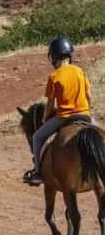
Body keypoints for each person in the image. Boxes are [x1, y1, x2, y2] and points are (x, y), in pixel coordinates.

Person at [28, 37, 92, 186]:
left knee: (37, 137)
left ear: (54, 57)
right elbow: (89, 96)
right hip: (85, 115)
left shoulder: (54, 77)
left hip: (64, 117)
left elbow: (50, 105)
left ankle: (37, 173)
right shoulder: (80, 71)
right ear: (70, 55)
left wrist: (45, 119)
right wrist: (85, 109)